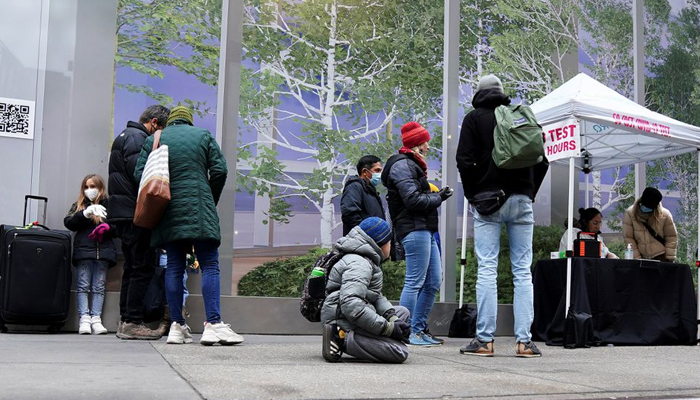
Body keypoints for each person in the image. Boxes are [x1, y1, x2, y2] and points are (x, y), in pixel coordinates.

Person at [135, 106, 243, 346]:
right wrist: (208, 195)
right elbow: (220, 170)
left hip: (168, 210)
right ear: (189, 121)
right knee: (210, 265)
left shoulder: (156, 138)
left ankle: (177, 325)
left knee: (174, 266)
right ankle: (213, 324)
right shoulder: (202, 136)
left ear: (170, 121)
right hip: (199, 208)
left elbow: (139, 174)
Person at [456, 74, 548, 357]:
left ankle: (485, 341)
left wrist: (473, 194)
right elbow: (543, 160)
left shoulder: (474, 119)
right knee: (522, 271)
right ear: (501, 92)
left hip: (487, 202)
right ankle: (524, 342)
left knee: (487, 268)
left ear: (479, 93)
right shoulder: (520, 116)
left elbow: (464, 161)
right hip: (521, 201)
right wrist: (528, 192)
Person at [381, 121, 453, 346]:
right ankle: (405, 330)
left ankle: (418, 329)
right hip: (414, 228)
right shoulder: (403, 165)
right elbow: (412, 200)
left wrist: (435, 196)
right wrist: (439, 197)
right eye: (425, 142)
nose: (428, 147)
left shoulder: (412, 165)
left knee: (433, 281)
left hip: (424, 228)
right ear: (416, 144)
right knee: (414, 281)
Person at [108, 104, 169, 340]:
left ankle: (126, 320)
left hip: (122, 213)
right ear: (154, 123)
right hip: (134, 213)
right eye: (161, 129)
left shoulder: (125, 135)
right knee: (142, 267)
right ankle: (132, 322)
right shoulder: (137, 139)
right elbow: (141, 173)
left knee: (132, 268)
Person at [321, 217, 411, 363]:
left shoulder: (365, 259)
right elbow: (351, 305)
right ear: (380, 244)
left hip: (352, 313)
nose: (391, 246)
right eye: (389, 242)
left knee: (402, 313)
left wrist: (392, 318)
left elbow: (375, 296)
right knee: (400, 352)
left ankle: (369, 338)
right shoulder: (359, 264)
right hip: (342, 319)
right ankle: (340, 338)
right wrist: (388, 328)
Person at [64, 174, 117, 335]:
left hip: (104, 253)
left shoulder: (109, 205)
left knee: (99, 287)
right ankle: (84, 318)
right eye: (86, 187)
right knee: (83, 286)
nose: (89, 190)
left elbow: (118, 227)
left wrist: (107, 228)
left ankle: (96, 319)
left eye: (93, 186)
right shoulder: (79, 205)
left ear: (100, 188)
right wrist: (85, 213)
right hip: (84, 252)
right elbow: (69, 223)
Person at [623, 187, 678, 261]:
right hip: (640, 257)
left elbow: (671, 237)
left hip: (661, 256)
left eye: (649, 208)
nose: (645, 209)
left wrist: (669, 258)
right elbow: (628, 238)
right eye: (644, 206)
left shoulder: (665, 215)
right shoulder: (630, 213)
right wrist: (637, 259)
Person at [341, 155, 385, 236]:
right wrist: (367, 233)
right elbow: (350, 214)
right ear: (364, 171)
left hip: (373, 242)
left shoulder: (371, 190)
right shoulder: (354, 187)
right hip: (362, 242)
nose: (380, 174)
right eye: (377, 170)